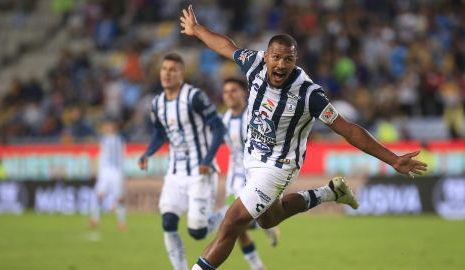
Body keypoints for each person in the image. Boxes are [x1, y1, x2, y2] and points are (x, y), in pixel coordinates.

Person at [179, 5, 428, 270]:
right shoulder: (254, 63)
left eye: (288, 59)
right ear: (267, 57)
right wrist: (197, 30)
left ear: (295, 61)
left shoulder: (309, 94)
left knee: (232, 222)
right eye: (276, 57)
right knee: (267, 219)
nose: (281, 64)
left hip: (279, 165)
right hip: (252, 157)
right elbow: (226, 47)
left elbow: (348, 129)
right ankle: (329, 193)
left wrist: (392, 159)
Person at [138, 52, 227, 270]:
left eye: (173, 70)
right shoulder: (157, 103)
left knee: (197, 232)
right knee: (168, 222)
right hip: (175, 172)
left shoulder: (194, 97)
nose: (167, 74)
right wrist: (147, 153)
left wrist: (207, 159)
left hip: (201, 172)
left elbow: (219, 127)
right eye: (164, 69)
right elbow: (160, 134)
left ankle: (228, 213)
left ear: (182, 74)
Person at [220, 77, 280, 270]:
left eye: (233, 91)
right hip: (234, 178)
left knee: (237, 222)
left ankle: (266, 225)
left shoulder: (254, 116)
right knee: (233, 225)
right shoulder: (224, 120)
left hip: (254, 175)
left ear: (243, 93)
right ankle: (257, 265)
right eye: (226, 92)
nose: (229, 95)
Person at [90, 117, 127, 230]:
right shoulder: (103, 139)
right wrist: (96, 169)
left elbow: (121, 157)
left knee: (119, 197)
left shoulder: (119, 140)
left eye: (109, 126)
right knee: (99, 195)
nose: (107, 128)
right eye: (106, 126)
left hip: (116, 171)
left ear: (114, 128)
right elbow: (100, 156)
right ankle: (95, 219)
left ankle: (121, 222)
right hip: (105, 172)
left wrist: (122, 173)